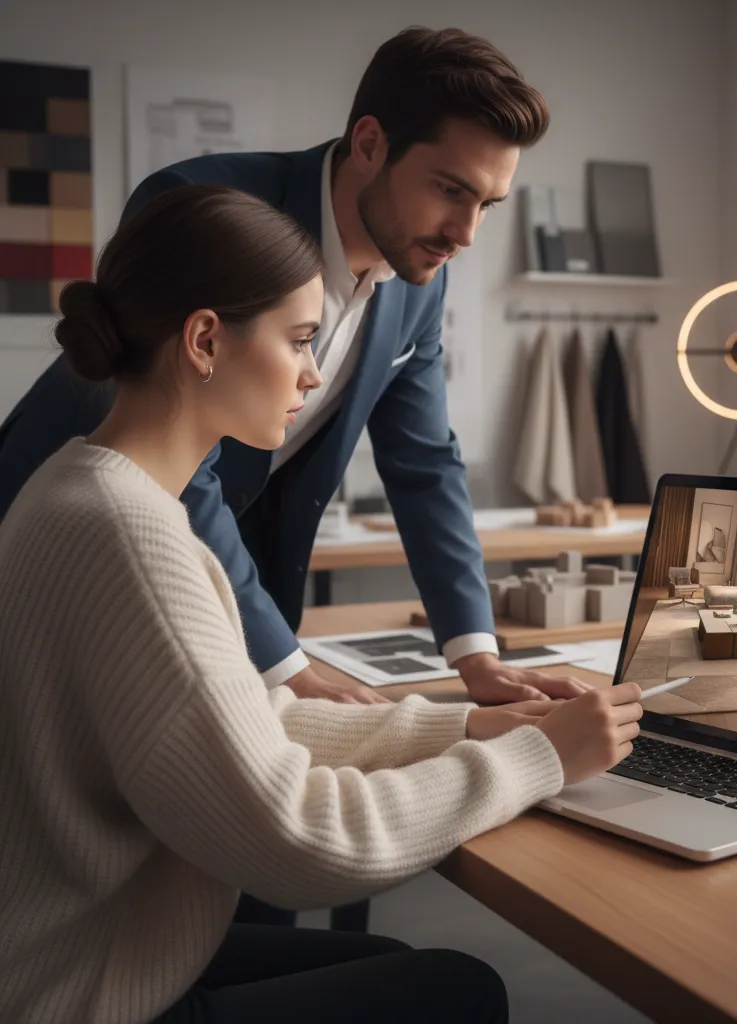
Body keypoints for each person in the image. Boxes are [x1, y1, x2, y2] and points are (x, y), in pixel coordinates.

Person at [0, 184, 644, 1024]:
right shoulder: (132, 537)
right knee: (456, 989)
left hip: (79, 948)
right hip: (74, 993)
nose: (313, 372)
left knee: (400, 968)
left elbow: (242, 726)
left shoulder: (82, 486)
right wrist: (539, 759)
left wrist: (468, 726)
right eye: (301, 339)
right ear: (204, 340)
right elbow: (301, 841)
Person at [0, 25, 580, 711]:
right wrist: (288, 670)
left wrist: (476, 656)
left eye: (487, 204)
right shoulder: (203, 203)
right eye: (452, 190)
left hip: (233, 584)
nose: (467, 233)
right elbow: (176, 450)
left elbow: (424, 461)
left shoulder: (421, 276)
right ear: (370, 143)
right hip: (68, 547)